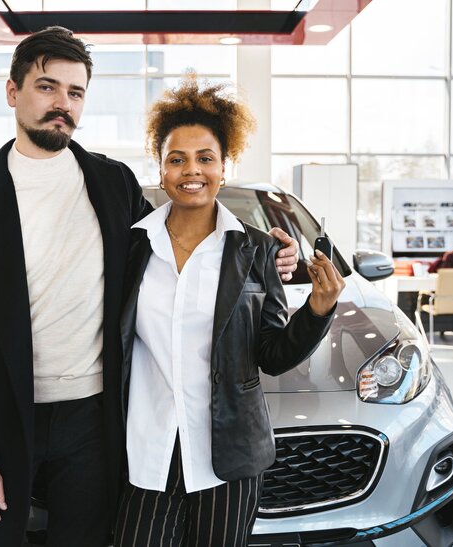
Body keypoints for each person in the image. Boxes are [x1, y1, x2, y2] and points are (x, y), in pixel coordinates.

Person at [0, 28, 299, 547]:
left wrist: (267, 250)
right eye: (47, 87)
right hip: (1, 415)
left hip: (93, 423)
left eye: (75, 93)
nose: (62, 104)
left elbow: (186, 235)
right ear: (13, 92)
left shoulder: (112, 184)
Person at [114, 77, 345, 547]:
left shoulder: (257, 250)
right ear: (161, 170)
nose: (191, 170)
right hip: (146, 450)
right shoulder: (132, 247)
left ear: (224, 167)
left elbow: (272, 353)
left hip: (229, 456)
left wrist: (317, 311)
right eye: (176, 159)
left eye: (205, 158)